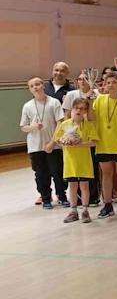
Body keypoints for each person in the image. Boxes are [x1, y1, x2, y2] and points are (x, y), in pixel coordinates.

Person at [46, 98, 98, 224]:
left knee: (84, 186)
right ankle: (73, 211)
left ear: (86, 111)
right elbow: (58, 139)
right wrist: (64, 141)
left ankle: (85, 210)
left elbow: (94, 142)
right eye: (76, 108)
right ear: (72, 109)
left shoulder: (88, 125)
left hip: (84, 161)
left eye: (82, 109)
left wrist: (80, 143)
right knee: (72, 186)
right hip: (70, 161)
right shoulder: (65, 124)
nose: (79, 111)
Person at [20, 76, 66, 208]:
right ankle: (46, 198)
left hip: (53, 145)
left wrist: (52, 143)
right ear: (30, 90)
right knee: (41, 173)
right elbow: (23, 127)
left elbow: (60, 123)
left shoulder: (54, 102)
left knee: (57, 171)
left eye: (37, 84)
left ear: (43, 85)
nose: (35, 87)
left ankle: (62, 196)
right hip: (36, 146)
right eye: (32, 86)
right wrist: (33, 127)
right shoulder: (27, 106)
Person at [92, 72, 117, 218]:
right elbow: (90, 117)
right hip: (103, 145)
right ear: (104, 85)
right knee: (106, 174)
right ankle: (107, 205)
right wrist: (88, 100)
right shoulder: (99, 100)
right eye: (108, 83)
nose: (110, 85)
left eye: (114, 82)